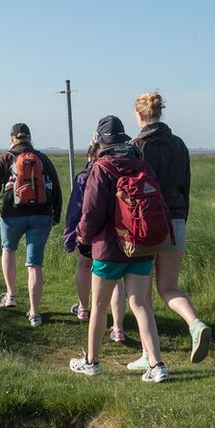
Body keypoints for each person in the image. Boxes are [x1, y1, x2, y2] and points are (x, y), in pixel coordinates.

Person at [70, 115, 169, 382]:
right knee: (139, 303)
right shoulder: (142, 163)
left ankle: (91, 362)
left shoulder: (102, 167)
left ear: (100, 140)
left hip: (109, 249)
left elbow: (91, 213)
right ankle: (156, 365)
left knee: (99, 305)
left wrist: (81, 237)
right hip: (142, 245)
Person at [131, 90, 211, 368]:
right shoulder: (179, 144)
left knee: (142, 294)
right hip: (176, 221)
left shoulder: (137, 146)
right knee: (169, 288)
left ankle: (148, 354)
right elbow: (185, 185)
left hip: (145, 224)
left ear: (139, 115)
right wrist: (182, 218)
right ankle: (195, 323)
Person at [0, 123, 62, 327]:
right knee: (34, 264)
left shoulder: (5, 158)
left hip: (12, 215)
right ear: (29, 138)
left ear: (12, 139)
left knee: (8, 250)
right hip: (41, 215)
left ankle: (10, 295)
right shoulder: (43, 158)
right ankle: (35, 313)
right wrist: (56, 215)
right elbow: (56, 186)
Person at [62, 139, 127, 341]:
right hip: (118, 232)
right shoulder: (122, 170)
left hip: (90, 232)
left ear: (91, 156)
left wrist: (72, 236)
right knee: (116, 280)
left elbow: (76, 209)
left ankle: (83, 308)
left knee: (84, 265)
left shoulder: (85, 176)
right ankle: (118, 328)